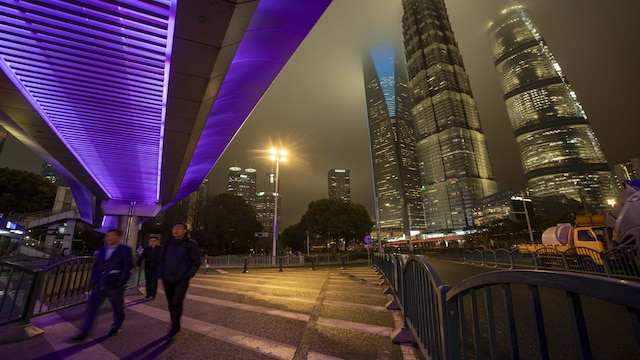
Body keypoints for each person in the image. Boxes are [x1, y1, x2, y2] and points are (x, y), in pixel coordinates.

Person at [69, 229, 133, 342]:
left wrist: (120, 283)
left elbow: (128, 268)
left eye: (113, 236)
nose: (110, 238)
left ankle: (116, 326)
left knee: (118, 307)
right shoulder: (102, 250)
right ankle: (84, 332)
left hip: (115, 286)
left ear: (118, 237)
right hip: (100, 285)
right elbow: (96, 267)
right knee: (91, 308)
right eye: (108, 236)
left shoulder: (125, 250)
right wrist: (95, 280)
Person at [158, 222, 200, 339]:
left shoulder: (190, 244)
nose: (176, 231)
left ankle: (175, 326)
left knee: (177, 302)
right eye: (174, 228)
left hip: (181, 278)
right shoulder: (167, 243)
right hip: (167, 277)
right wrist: (160, 273)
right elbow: (161, 259)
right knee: (171, 303)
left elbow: (196, 261)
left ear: (185, 231)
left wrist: (188, 275)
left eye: (179, 229)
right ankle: (174, 321)